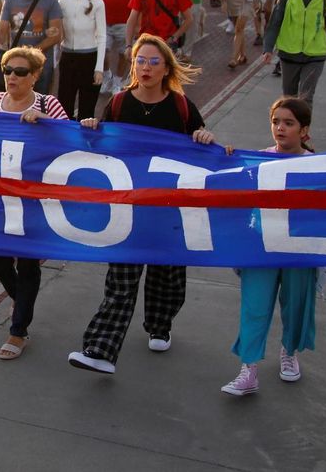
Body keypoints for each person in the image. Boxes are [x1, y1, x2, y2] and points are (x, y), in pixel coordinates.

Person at [72, 35, 220, 374]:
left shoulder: (181, 105)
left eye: (154, 61)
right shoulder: (120, 103)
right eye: (141, 60)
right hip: (128, 207)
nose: (147, 67)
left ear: (166, 67)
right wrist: (93, 128)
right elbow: (104, 148)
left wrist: (204, 137)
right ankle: (100, 350)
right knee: (121, 280)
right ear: (133, 65)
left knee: (167, 274)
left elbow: (203, 145)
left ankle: (159, 324)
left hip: (169, 207)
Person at [0, 46, 68, 359]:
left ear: (36, 76)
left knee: (27, 264)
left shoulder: (48, 103)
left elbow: (70, 139)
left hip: (33, 198)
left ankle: (18, 330)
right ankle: (21, 300)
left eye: (21, 71)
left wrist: (47, 122)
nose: (12, 76)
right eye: (8, 70)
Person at [221, 96, 320, 396]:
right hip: (260, 246)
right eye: (276, 121)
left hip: (299, 249)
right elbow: (239, 195)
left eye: (289, 123)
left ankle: (290, 352)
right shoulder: (258, 160)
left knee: (296, 303)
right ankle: (248, 369)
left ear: (304, 131)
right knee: (254, 305)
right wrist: (226, 158)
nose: (280, 128)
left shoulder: (317, 165)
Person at [0, 0, 64, 95]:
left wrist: (30, 54)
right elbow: (0, 30)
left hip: (41, 65)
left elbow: (55, 36)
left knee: (40, 104)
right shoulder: (10, 0)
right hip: (16, 67)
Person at [56, 0, 107, 120]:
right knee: (64, 106)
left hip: (89, 57)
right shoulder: (62, 1)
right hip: (67, 57)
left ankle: (85, 142)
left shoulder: (97, 3)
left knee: (87, 108)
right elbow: (58, 32)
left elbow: (102, 35)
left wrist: (99, 68)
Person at [96, 0, 139, 93]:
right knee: (102, 52)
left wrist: (137, 24)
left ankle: (118, 81)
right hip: (104, 23)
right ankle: (107, 76)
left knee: (123, 54)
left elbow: (138, 1)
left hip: (124, 24)